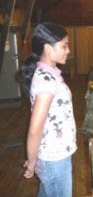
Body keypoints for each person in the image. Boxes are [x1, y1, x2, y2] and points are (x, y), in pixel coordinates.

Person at [19, 22, 77, 196]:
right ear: (47, 48)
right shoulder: (46, 81)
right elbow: (35, 130)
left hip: (57, 153)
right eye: (64, 46)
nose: (68, 50)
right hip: (54, 157)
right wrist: (31, 160)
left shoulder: (50, 74)